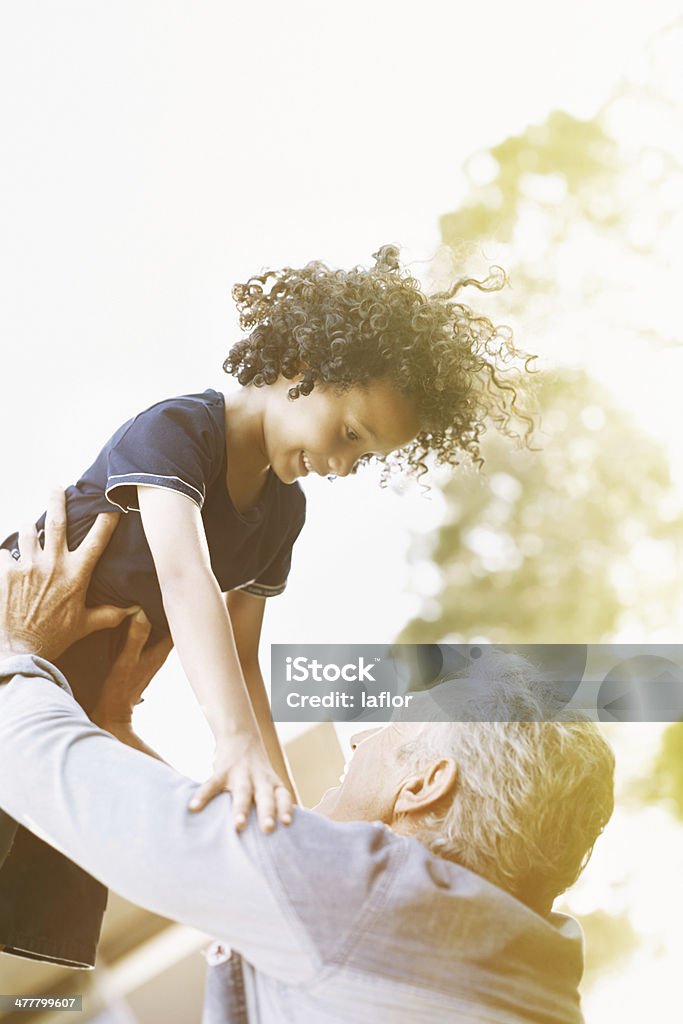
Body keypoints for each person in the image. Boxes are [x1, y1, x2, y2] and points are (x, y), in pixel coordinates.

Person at [0, 245, 534, 968]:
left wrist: (282, 818)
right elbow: (185, 576)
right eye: (348, 433)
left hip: (62, 695)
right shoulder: (178, 433)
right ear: (303, 368)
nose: (345, 465)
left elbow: (246, 659)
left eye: (366, 456)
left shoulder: (283, 515)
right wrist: (231, 742)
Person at [0, 493, 614, 1023]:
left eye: (391, 727)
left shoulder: (370, 901)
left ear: (426, 784)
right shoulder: (529, 979)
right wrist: (115, 730)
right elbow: (243, 863)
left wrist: (20, 647)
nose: (357, 741)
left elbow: (39, 769)